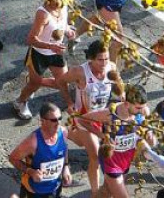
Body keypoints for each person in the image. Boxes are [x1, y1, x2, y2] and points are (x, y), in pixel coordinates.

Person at [58, 40, 120, 198]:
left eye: (106, 59)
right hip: (82, 118)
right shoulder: (80, 72)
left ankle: (62, 134)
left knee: (82, 142)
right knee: (96, 156)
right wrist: (69, 102)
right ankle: (95, 193)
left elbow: (117, 83)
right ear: (91, 59)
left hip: (102, 117)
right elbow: (61, 81)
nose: (104, 63)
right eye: (100, 59)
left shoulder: (111, 67)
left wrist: (122, 93)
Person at [13, 0, 76, 120]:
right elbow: (30, 39)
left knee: (62, 82)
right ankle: (20, 102)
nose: (63, 2)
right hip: (39, 54)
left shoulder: (63, 7)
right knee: (34, 84)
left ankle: (71, 104)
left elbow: (63, 23)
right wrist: (50, 46)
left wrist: (68, 31)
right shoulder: (43, 14)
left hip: (56, 53)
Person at [80, 84, 155, 198]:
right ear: (126, 104)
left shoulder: (143, 111)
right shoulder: (110, 114)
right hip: (110, 161)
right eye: (138, 108)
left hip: (125, 160)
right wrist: (102, 135)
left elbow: (148, 135)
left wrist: (149, 134)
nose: (141, 110)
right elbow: (81, 119)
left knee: (106, 191)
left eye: (143, 106)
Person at [9, 102, 71, 198]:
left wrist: (66, 167)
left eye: (60, 118)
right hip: (35, 191)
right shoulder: (33, 141)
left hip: (55, 187)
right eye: (54, 120)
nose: (58, 123)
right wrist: (31, 172)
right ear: (43, 121)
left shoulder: (63, 132)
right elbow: (13, 158)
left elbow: (64, 148)